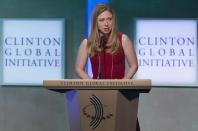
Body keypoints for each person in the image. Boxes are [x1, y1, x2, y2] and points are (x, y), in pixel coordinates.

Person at [75, 3, 139, 131]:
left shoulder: (123, 39)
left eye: (109, 19)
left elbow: (134, 65)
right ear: (96, 22)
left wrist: (125, 80)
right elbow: (78, 68)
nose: (106, 23)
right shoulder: (87, 43)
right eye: (102, 20)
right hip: (98, 95)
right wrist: (90, 83)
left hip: (121, 93)